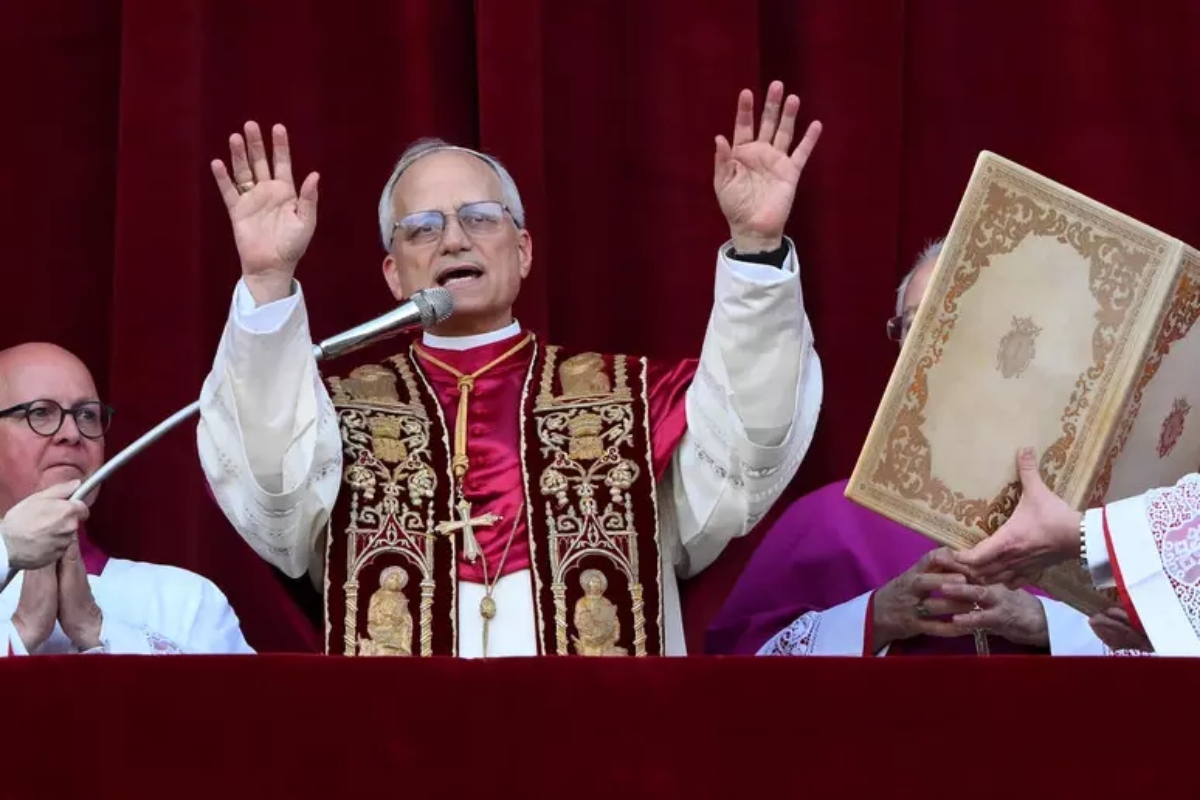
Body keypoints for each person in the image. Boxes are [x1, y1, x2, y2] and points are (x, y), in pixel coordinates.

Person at [196, 80, 825, 657]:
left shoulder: (632, 403)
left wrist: (757, 250)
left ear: (522, 251)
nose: (453, 240)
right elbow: (271, 493)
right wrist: (268, 282)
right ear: (393, 273)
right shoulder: (332, 414)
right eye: (421, 229)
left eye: (479, 218)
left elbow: (746, 452)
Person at [706, 240, 1129, 656]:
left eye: (964, 318)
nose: (938, 343)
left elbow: (1174, 652)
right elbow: (735, 676)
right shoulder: (828, 521)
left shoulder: (1105, 525)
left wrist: (1045, 622)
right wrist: (876, 617)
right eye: (917, 322)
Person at [0, 343, 254, 655]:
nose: (72, 432)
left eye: (87, 415)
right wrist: (20, 631)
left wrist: (96, 629)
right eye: (40, 413)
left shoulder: (187, 600)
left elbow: (237, 702)